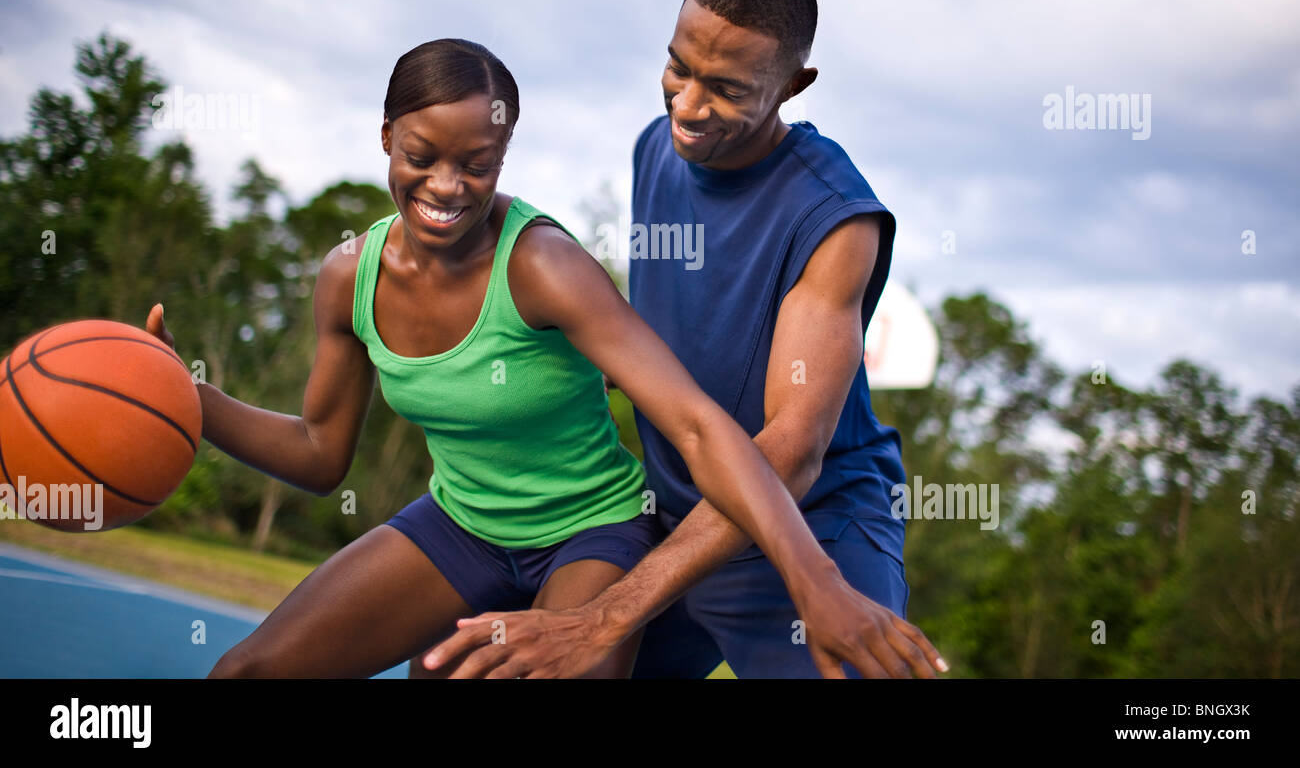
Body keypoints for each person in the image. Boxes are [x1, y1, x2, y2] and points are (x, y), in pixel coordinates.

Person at [144, 36, 943, 678]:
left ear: (505, 152)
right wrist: (188, 399)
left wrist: (817, 580)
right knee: (246, 671)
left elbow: (699, 427)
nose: (448, 186)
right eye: (422, 155)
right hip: (461, 525)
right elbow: (320, 454)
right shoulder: (346, 276)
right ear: (386, 137)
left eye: (478, 163)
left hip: (593, 533)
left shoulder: (543, 265)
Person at [424, 0, 945, 678]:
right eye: (678, 68)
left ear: (793, 86)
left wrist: (602, 618)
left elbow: (791, 449)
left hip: (811, 526)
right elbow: (671, 335)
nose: (689, 105)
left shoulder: (835, 218)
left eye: (727, 89)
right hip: (673, 516)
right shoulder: (655, 149)